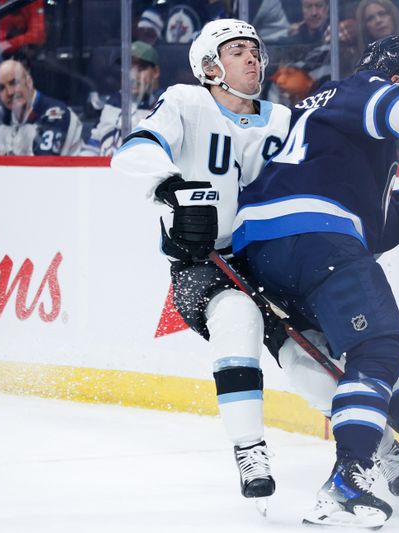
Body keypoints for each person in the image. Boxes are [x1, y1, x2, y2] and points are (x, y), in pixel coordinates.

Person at [233, 36, 399, 528]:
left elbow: (368, 228)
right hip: (313, 237)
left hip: (267, 251)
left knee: (376, 344)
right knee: (377, 347)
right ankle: (347, 478)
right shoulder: (361, 89)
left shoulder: (325, 117)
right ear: (397, 79)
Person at [110, 19, 292, 506]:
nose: (252, 58)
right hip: (201, 266)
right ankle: (250, 449)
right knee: (238, 319)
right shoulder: (186, 102)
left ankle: (376, 446)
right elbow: (132, 152)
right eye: (237, 51)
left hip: (270, 259)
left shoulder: (283, 120)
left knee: (312, 350)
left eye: (254, 50)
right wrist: (170, 187)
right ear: (210, 66)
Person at [82, 41, 163, 157]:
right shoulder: (113, 102)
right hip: (103, 172)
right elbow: (94, 144)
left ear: (155, 72)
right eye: (128, 68)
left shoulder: (164, 105)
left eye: (140, 68)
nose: (133, 76)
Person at [0, 59, 83, 156]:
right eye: (1, 88)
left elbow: (43, 166)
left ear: (29, 82)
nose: (9, 92)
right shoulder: (1, 118)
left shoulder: (55, 114)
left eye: (14, 83)